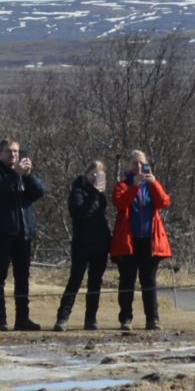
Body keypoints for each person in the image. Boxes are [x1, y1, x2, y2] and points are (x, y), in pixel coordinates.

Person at [110, 149, 172, 332]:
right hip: (129, 242)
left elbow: (164, 202)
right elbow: (121, 203)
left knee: (149, 281)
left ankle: (152, 319)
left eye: (141, 163)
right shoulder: (122, 186)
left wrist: (153, 183)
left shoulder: (152, 185)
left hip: (150, 242)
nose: (138, 167)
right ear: (129, 166)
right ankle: (126, 319)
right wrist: (135, 186)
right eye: (134, 163)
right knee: (127, 281)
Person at [53, 160, 112, 331]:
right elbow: (81, 213)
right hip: (82, 245)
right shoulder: (77, 190)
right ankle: (62, 317)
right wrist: (94, 193)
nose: (96, 177)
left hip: (100, 245)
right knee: (75, 280)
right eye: (93, 173)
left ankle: (91, 318)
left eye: (99, 174)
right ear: (86, 174)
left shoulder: (101, 195)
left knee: (95, 283)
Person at [0, 140, 45, 332]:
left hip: (23, 233)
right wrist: (14, 174)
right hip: (3, 233)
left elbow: (40, 192)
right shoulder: (6, 174)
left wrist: (28, 175)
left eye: (16, 151)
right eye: (8, 151)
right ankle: (1, 320)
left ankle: (22, 318)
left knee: (22, 278)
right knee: (0, 278)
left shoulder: (22, 175)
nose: (13, 155)